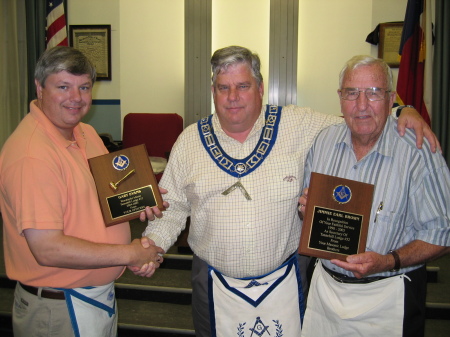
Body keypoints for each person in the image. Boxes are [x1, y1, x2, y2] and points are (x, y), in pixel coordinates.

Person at [141, 46, 437, 337]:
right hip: (214, 285)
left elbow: (357, 117)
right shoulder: (189, 142)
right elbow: (174, 206)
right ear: (212, 90)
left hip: (286, 282)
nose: (232, 97)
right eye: (223, 87)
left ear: (259, 88)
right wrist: (152, 245)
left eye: (243, 86)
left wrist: (402, 110)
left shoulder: (299, 123)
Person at [0, 46, 166, 337]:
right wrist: (128, 254)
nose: (76, 98)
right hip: (57, 309)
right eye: (63, 87)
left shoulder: (85, 133)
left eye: (84, 87)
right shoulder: (32, 155)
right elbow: (48, 249)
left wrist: (140, 200)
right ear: (39, 88)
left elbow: (101, 198)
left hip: (95, 298)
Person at [299, 55, 450, 337]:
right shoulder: (323, 141)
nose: (362, 105)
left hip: (388, 295)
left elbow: (443, 234)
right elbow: (306, 211)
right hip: (325, 294)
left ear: (391, 98)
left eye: (373, 93)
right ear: (340, 97)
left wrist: (388, 260)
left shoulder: (418, 151)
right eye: (352, 93)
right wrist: (304, 210)